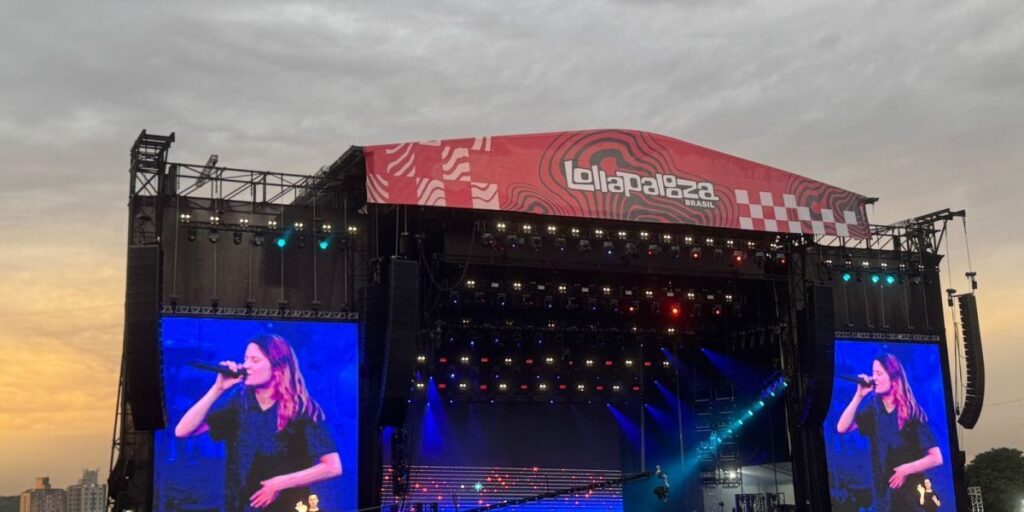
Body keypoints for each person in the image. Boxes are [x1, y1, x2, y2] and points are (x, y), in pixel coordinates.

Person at [175, 334, 342, 512]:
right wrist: (218, 389)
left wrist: (280, 483)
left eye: (255, 360)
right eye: (245, 359)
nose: (246, 365)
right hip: (240, 506)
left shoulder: (302, 409)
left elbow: (332, 467)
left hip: (290, 506)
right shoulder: (239, 402)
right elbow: (182, 431)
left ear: (277, 366)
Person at [836, 352, 943, 511]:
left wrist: (905, 470)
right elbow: (842, 428)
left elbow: (936, 458)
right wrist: (859, 395)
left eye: (879, 373)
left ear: (893, 377)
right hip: (884, 500)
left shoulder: (911, 413)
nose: (874, 378)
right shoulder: (874, 410)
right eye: (873, 373)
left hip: (912, 500)